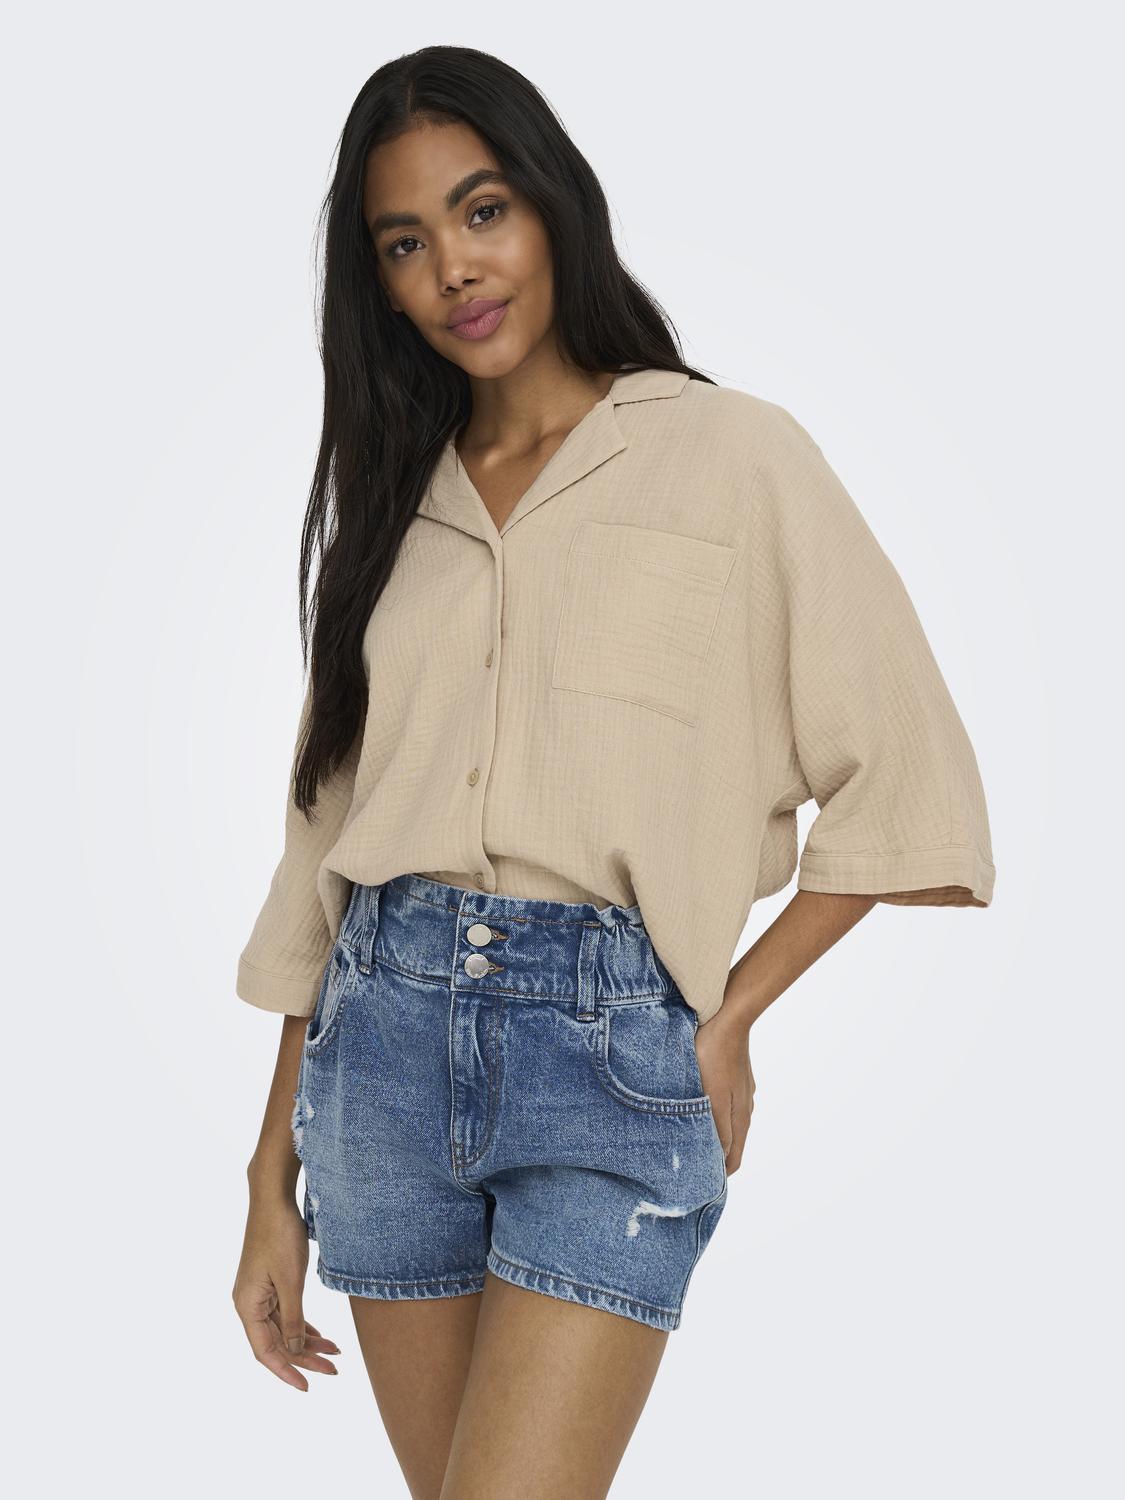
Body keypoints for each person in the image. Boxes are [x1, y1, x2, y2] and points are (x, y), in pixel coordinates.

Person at [231, 44, 995, 1500]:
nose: (455, 267)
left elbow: (906, 774)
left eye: (482, 211)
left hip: (608, 1050)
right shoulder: (391, 508)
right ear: (376, 283)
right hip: (378, 1060)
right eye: (405, 242)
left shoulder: (731, 456)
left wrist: (730, 1015)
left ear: (551, 205)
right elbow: (322, 859)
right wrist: (268, 1178)